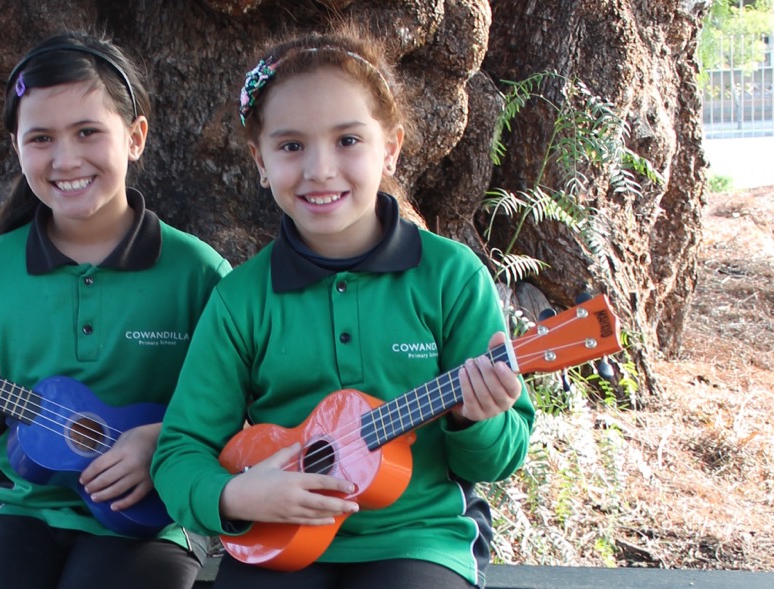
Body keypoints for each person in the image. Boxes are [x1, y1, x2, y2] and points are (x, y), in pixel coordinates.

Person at [150, 26, 534, 589]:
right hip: (278, 538)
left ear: (392, 147)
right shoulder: (241, 299)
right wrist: (234, 494)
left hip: (417, 540)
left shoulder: (451, 277)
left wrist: (475, 417)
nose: (320, 169)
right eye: (291, 146)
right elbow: (180, 451)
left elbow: (496, 460)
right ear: (260, 162)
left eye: (348, 140)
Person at [0, 32, 230, 589]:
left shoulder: (197, 272)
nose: (66, 158)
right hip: (28, 510)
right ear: (16, 148)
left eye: (87, 132)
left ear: (135, 137)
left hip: (157, 515)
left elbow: (239, 413)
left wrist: (157, 439)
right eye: (41, 138)